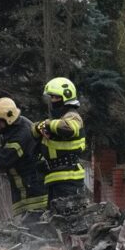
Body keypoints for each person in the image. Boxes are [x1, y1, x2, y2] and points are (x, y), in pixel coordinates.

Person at [32, 77, 86, 212]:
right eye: (51, 98)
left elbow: (69, 129)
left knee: (67, 220)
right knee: (55, 220)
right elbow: (33, 130)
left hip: (68, 178)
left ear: (65, 97)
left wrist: (48, 124)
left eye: (55, 97)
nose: (52, 101)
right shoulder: (60, 119)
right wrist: (39, 126)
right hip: (56, 178)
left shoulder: (73, 116)